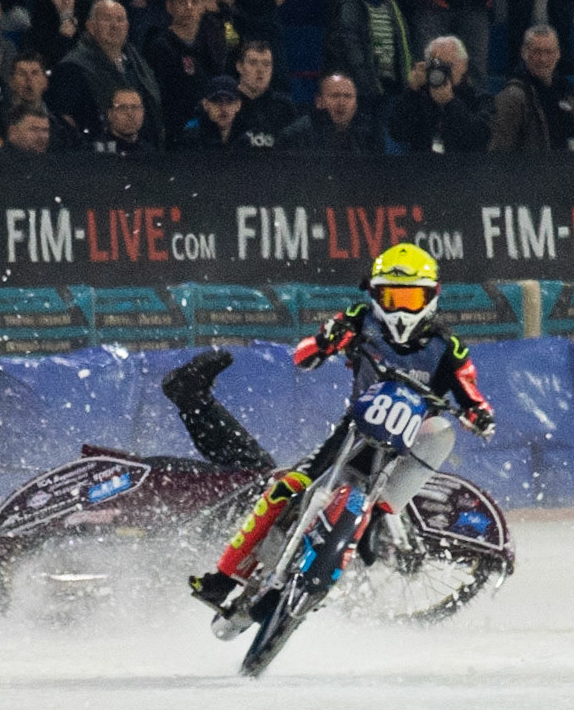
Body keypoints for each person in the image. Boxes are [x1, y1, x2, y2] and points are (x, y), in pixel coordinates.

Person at [189, 243, 495, 633]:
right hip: (354, 429)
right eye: (391, 297)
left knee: (422, 455)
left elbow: (470, 391)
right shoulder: (358, 318)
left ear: (431, 297)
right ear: (374, 295)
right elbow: (303, 356)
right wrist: (326, 340)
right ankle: (223, 578)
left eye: (410, 297)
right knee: (286, 488)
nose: (400, 308)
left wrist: (480, 414)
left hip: (412, 436)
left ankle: (349, 550)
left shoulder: (447, 345)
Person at [46, 0, 165, 146]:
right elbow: (65, 122)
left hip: (145, 152)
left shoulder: (138, 64)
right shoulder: (73, 67)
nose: (114, 26)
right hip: (99, 157)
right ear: (91, 26)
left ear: (127, 27)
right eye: (106, 19)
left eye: (120, 20)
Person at [324, 0, 415, 121]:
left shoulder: (391, 5)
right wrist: (363, 79)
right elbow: (351, 44)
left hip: (391, 82)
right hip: (364, 84)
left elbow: (403, 42)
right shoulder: (350, 6)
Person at [490, 24, 574, 150]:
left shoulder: (567, 92)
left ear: (558, 54)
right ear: (523, 53)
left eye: (549, 52)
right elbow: (499, 150)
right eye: (536, 52)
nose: (543, 59)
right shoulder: (513, 97)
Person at [389, 34, 492, 153]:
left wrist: (450, 102)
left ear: (463, 65)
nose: (442, 72)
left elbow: (480, 137)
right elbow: (397, 133)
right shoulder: (420, 95)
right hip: (423, 165)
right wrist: (412, 91)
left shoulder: (478, 96)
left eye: (447, 66)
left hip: (465, 165)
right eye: (436, 65)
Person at [146, 0, 212, 135]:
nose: (189, 7)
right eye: (182, 2)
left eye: (195, 2)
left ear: (203, 7)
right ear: (170, 6)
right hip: (175, 129)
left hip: (208, 124)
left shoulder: (211, 43)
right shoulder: (160, 46)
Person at [277, 72, 379, 151]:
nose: (342, 102)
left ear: (356, 104)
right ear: (319, 101)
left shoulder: (370, 133)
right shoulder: (296, 135)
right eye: (335, 96)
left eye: (348, 96)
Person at [232, 40, 298, 146]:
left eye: (266, 64)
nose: (260, 69)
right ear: (239, 66)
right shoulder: (226, 102)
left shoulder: (284, 106)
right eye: (253, 63)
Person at [25, 0, 84, 72]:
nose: (66, 2)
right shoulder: (36, 31)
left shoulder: (84, 26)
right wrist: (63, 39)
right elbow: (45, 66)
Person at [183, 73, 251, 148]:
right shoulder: (191, 138)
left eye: (229, 101)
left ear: (238, 105)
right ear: (205, 104)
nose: (223, 107)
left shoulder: (247, 139)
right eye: (216, 101)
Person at [97, 86, 155, 154]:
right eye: (122, 108)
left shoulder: (150, 153)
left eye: (135, 107)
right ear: (110, 114)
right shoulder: (97, 152)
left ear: (143, 112)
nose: (130, 114)